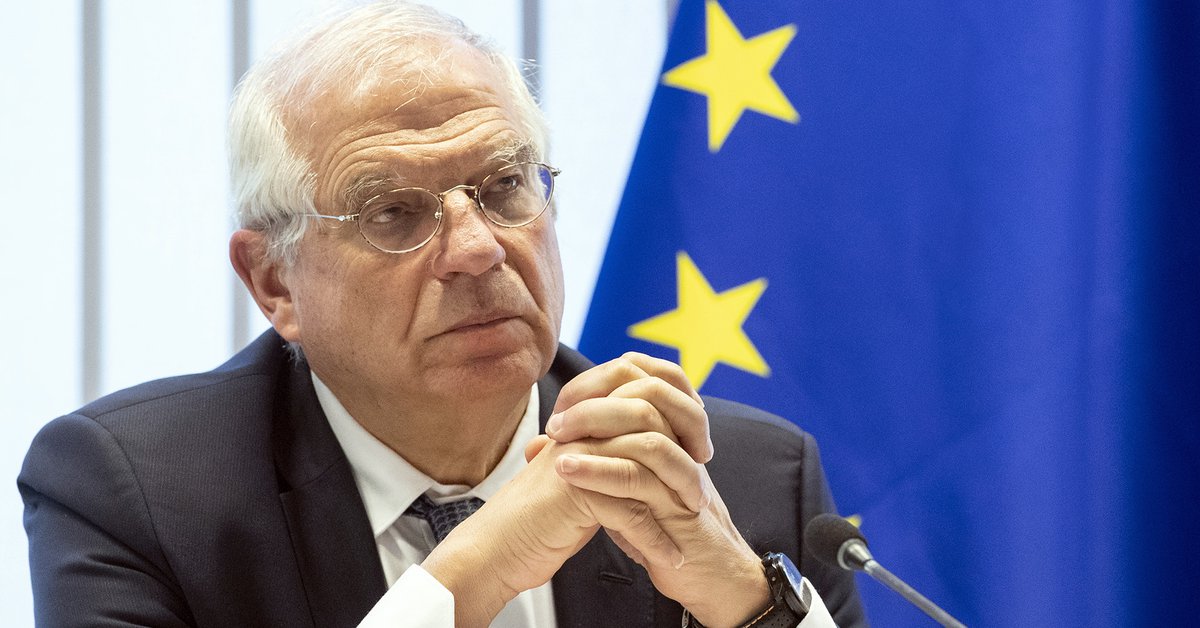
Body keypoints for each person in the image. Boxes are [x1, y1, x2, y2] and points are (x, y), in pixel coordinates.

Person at [19, 2, 866, 626]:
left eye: (504, 186)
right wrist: (480, 568)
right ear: (274, 283)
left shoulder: (740, 477)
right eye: (393, 213)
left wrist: (751, 608)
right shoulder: (137, 495)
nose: (478, 248)